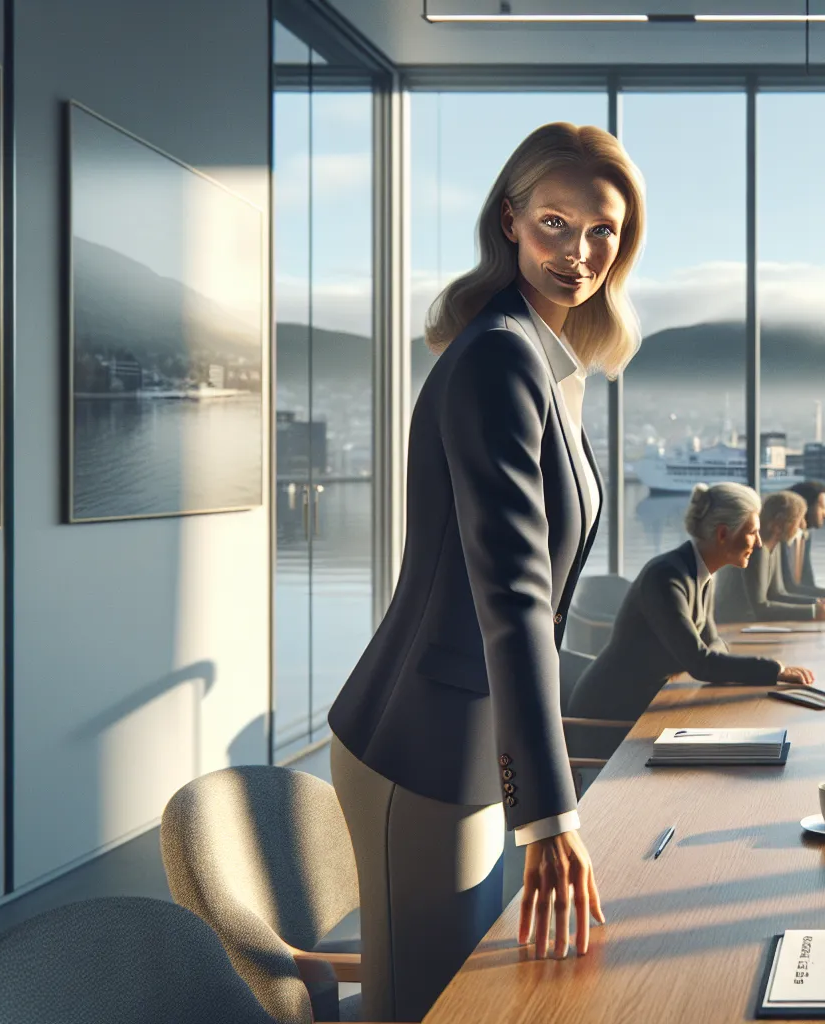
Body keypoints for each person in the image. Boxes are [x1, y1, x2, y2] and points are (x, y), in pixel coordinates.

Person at [326, 122, 643, 1018]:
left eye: (602, 232)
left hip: (464, 741)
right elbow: (514, 597)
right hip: (422, 744)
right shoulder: (502, 353)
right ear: (508, 220)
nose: (578, 254)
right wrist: (551, 815)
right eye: (554, 223)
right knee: (422, 1004)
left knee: (457, 993)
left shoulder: (537, 356)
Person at [565, 484, 817, 751]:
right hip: (607, 719)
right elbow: (701, 662)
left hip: (648, 705)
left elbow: (713, 643)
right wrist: (773, 670)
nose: (757, 542)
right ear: (723, 533)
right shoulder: (666, 578)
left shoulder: (700, 572)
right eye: (753, 532)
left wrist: (708, 658)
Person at [714, 490, 825, 623]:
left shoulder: (774, 546)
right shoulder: (757, 550)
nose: (803, 525)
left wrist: (817, 603)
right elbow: (761, 608)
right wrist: (812, 611)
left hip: (748, 624)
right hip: (733, 626)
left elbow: (778, 593)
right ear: (780, 522)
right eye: (799, 520)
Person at [781, 480, 825, 602]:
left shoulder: (805, 537)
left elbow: (808, 584)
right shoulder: (780, 538)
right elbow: (787, 587)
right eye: (822, 507)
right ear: (804, 506)